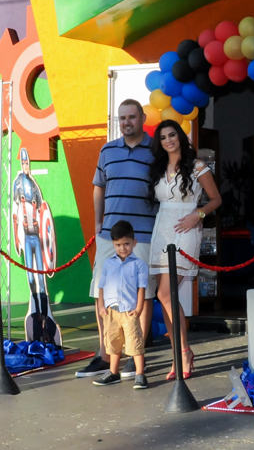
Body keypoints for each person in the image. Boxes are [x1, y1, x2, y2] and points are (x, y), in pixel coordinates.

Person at [77, 99, 157, 380]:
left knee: (142, 297)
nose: (126, 122)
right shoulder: (107, 150)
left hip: (144, 235)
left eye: (132, 117)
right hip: (109, 235)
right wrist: (99, 224)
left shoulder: (156, 150)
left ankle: (135, 358)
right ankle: (104, 355)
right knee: (104, 295)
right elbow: (98, 188)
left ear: (142, 118)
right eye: (122, 117)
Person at [148, 120, 221, 380]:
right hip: (162, 230)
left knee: (165, 293)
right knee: (164, 296)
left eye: (172, 135)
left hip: (187, 229)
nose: (169, 140)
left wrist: (197, 215)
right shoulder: (157, 167)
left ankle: (184, 352)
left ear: (180, 137)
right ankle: (179, 354)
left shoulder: (197, 165)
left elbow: (216, 199)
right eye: (164, 137)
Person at [93, 219, 149, 389]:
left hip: (129, 311)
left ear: (134, 242)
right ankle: (114, 372)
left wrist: (139, 309)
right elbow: (101, 286)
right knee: (113, 343)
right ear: (113, 244)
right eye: (118, 245)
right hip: (111, 311)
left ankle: (140, 374)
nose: (122, 248)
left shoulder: (139, 265)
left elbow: (141, 288)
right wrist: (102, 307)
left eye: (126, 244)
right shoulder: (108, 264)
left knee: (135, 343)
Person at [13, 147, 59, 344]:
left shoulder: (33, 185)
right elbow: (16, 214)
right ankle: (37, 316)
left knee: (41, 279)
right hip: (27, 237)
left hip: (37, 239)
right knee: (31, 278)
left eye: (26, 163)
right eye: (22, 163)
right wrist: (17, 239)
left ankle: (44, 317)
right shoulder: (18, 184)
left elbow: (42, 213)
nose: (25, 165)